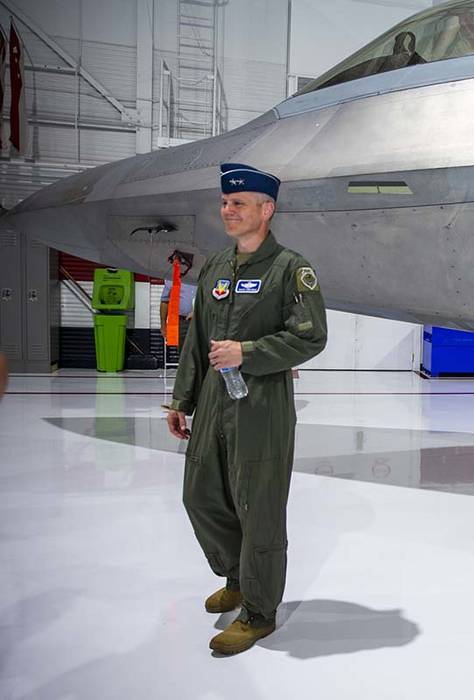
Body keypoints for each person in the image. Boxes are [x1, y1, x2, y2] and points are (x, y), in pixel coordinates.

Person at [164, 162, 328, 655]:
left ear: (266, 209)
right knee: (202, 494)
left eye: (238, 203)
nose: (227, 210)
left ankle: (259, 611)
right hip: (215, 399)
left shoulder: (290, 270)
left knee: (258, 509)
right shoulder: (216, 266)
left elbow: (311, 336)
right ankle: (236, 576)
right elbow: (196, 338)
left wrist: (249, 354)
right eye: (224, 202)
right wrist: (182, 398)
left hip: (262, 406)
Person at [159, 251, 197, 352]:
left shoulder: (201, 276)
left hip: (199, 321)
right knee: (183, 353)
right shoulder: (171, 279)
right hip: (181, 322)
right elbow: (164, 301)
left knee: (200, 353)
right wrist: (163, 324)